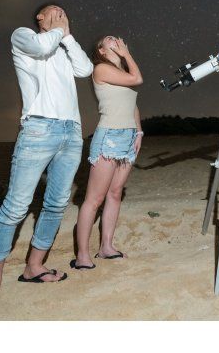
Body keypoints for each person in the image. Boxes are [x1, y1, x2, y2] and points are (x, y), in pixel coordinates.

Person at [0, 3, 94, 317]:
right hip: (39, 127)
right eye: (53, 10)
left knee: (56, 203)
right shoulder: (23, 36)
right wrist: (56, 31)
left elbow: (86, 69)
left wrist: (67, 36)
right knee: (16, 205)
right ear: (39, 17)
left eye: (64, 10)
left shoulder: (63, 46)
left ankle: (34, 267)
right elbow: (40, 48)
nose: (60, 13)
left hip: (72, 131)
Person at [71, 35, 143, 270]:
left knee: (115, 193)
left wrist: (139, 132)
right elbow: (137, 78)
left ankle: (106, 247)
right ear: (101, 50)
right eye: (108, 39)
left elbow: (133, 104)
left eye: (117, 37)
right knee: (94, 199)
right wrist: (127, 53)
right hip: (110, 136)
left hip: (128, 136)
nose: (116, 38)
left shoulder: (121, 72)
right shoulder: (101, 69)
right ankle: (82, 255)